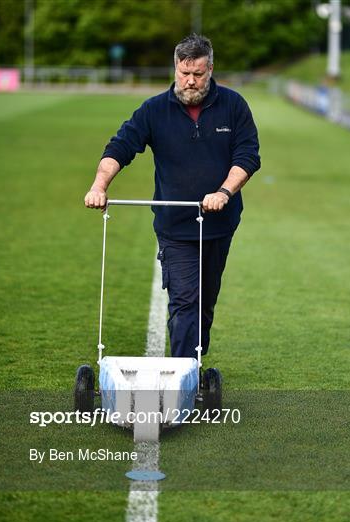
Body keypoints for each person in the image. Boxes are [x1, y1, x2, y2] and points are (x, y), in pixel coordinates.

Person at [85, 34, 260, 361]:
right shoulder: (153, 110)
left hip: (219, 224)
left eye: (198, 74)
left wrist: (224, 192)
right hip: (174, 226)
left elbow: (248, 156)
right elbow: (119, 148)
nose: (190, 81)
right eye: (184, 73)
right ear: (175, 69)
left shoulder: (234, 106)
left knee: (204, 305)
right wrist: (99, 186)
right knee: (184, 302)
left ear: (211, 69)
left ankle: (192, 360)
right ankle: (183, 382)